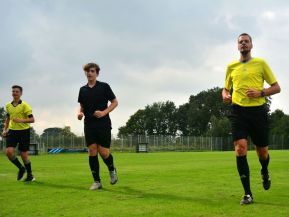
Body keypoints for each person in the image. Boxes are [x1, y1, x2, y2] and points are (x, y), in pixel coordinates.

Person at [222, 33, 281, 205]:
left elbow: (277, 87)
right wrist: (226, 95)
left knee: (262, 152)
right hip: (238, 112)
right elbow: (225, 89)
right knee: (240, 149)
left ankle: (264, 170)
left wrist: (260, 92)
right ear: (237, 46)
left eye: (246, 41)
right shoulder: (231, 66)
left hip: (257, 112)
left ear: (252, 45)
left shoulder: (261, 64)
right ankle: (247, 193)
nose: (243, 44)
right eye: (240, 42)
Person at [77, 62, 118, 190]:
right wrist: (80, 113)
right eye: (87, 71)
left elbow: (115, 102)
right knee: (92, 150)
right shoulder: (82, 90)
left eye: (92, 71)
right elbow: (82, 106)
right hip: (89, 124)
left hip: (103, 124)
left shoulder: (104, 87)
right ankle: (97, 181)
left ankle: (111, 169)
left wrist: (103, 112)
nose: (89, 73)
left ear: (97, 73)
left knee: (103, 152)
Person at [2, 85, 35, 182]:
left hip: (24, 132)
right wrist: (5, 129)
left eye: (17, 91)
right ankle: (21, 168)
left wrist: (20, 120)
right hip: (12, 131)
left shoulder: (25, 105)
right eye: (13, 91)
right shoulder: (8, 105)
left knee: (23, 154)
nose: (14, 93)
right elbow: (8, 118)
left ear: (21, 93)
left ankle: (30, 175)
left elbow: (32, 119)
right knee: (9, 152)